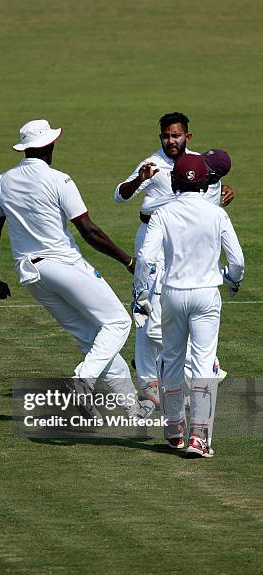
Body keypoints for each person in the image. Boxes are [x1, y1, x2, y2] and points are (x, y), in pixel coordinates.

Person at [0, 118, 154, 418]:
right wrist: (128, 260)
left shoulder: (3, 181)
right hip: (62, 265)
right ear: (49, 145)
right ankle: (82, 380)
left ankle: (130, 407)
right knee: (118, 323)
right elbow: (89, 231)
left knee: (94, 338)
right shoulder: (59, 179)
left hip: (30, 275)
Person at [114, 112, 234, 404]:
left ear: (187, 137)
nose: (170, 141)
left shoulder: (198, 163)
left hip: (181, 243)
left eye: (176, 135)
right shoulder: (151, 163)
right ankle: (150, 377)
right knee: (148, 308)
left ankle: (199, 366)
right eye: (166, 136)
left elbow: (203, 202)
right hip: (152, 239)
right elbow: (120, 195)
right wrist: (139, 180)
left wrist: (221, 196)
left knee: (181, 303)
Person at [133, 154, 244, 456]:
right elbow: (237, 262)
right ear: (206, 182)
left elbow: (145, 258)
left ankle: (172, 426)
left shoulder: (162, 215)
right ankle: (199, 437)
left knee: (171, 358)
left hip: (172, 294)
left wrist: (141, 295)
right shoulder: (216, 213)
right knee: (204, 362)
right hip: (207, 294)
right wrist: (232, 280)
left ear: (174, 181)